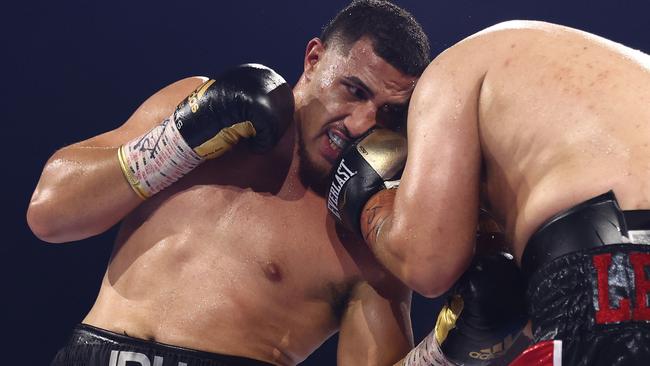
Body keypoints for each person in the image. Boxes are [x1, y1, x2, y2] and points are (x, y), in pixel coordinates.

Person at [26, 1, 431, 365]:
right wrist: (180, 141)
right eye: (354, 90)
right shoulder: (194, 101)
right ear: (313, 59)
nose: (362, 124)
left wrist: (451, 349)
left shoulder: (366, 228)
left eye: (388, 114)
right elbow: (49, 213)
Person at [329, 20, 650, 365]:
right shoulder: (573, 85)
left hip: (616, 266)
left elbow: (427, 263)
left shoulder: (448, 74)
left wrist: (370, 203)